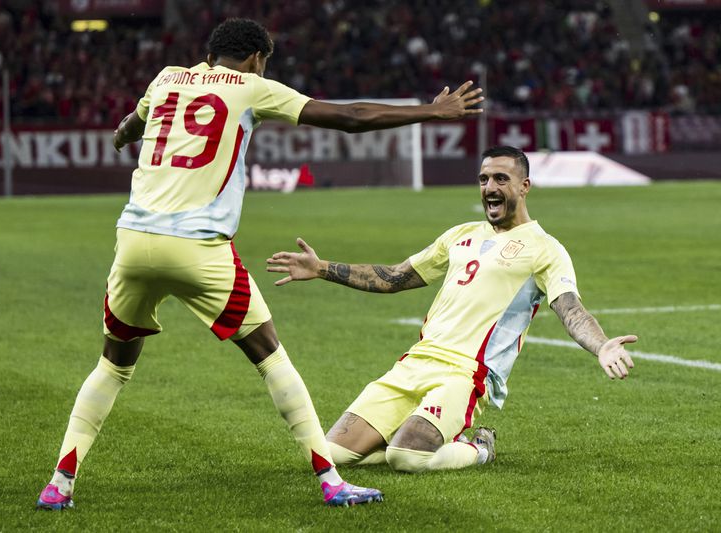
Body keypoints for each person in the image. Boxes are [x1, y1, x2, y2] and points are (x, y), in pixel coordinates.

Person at [36, 17, 484, 510]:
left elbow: (133, 123)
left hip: (132, 242)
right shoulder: (251, 86)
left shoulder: (165, 77)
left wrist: (123, 135)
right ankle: (331, 481)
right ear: (255, 58)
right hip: (198, 248)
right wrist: (432, 110)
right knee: (270, 356)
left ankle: (60, 483)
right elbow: (350, 116)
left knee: (113, 365)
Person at [266, 145, 638, 473]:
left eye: (501, 179)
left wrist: (601, 344)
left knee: (406, 459)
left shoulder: (545, 249)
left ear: (524, 187)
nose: (489, 188)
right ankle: (408, 434)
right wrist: (321, 268)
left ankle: (479, 449)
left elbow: (570, 309)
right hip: (414, 363)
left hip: (465, 373)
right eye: (483, 179)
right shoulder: (460, 235)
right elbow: (395, 277)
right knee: (328, 455)